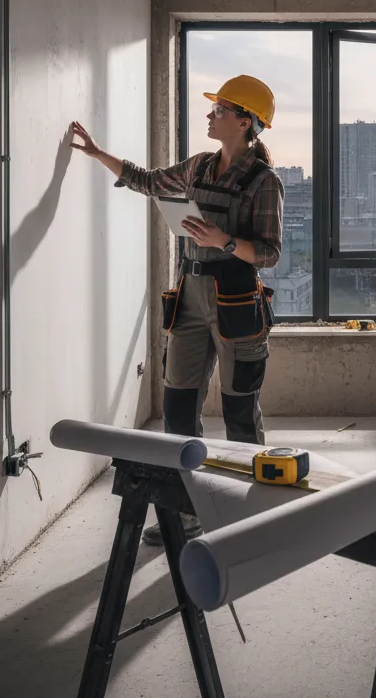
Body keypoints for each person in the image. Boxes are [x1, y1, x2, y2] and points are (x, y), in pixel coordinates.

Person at [70, 75, 284, 542]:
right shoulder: (200, 166)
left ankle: (252, 514)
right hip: (189, 293)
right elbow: (147, 181)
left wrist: (223, 240)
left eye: (220, 110)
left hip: (237, 300)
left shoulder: (264, 182)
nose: (210, 115)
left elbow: (269, 252)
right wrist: (97, 153)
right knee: (178, 406)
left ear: (245, 122)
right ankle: (185, 511)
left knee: (240, 411)